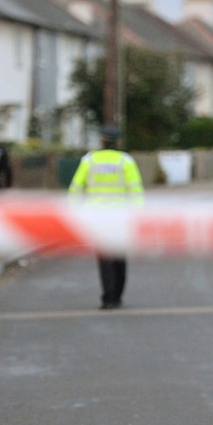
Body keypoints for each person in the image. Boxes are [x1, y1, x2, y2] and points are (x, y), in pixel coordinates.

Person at [69, 125, 144, 310]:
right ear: (118, 141)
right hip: (121, 216)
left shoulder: (89, 160)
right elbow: (136, 190)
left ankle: (108, 297)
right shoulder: (125, 161)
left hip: (97, 217)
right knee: (119, 257)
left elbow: (76, 188)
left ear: (101, 140)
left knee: (104, 258)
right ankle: (117, 296)